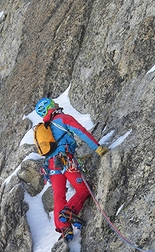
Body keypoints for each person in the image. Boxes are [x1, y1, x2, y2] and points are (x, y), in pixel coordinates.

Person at [35, 97, 109, 242]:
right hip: (65, 160)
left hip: (51, 167)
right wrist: (98, 148)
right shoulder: (63, 119)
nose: (56, 103)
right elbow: (81, 132)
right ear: (51, 106)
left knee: (59, 196)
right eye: (53, 102)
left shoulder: (46, 128)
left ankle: (64, 228)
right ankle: (69, 212)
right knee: (83, 189)